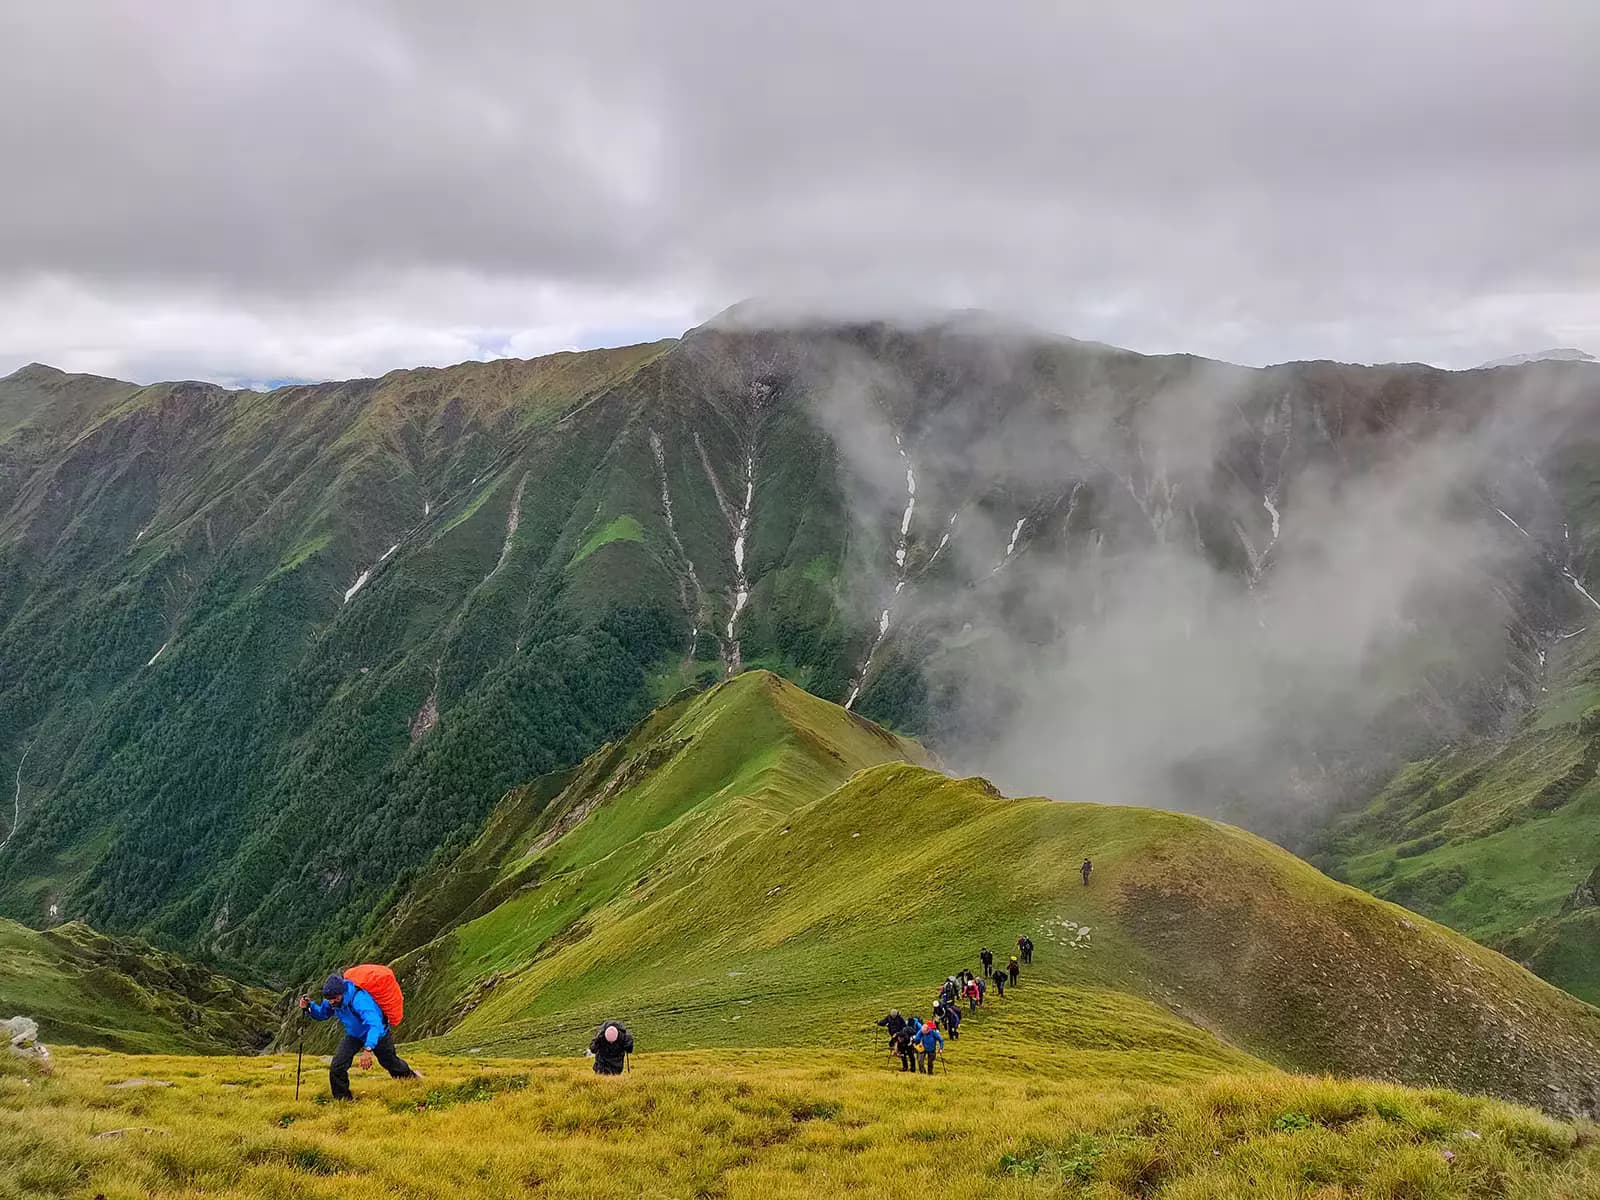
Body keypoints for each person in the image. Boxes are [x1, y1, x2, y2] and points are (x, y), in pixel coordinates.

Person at [301, 973, 419, 1100]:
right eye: (328, 999)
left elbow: (375, 1025)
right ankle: (343, 1100)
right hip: (354, 1035)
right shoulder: (332, 1000)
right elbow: (323, 1014)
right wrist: (309, 1007)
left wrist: (368, 1048)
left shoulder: (360, 1000)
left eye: (334, 998)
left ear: (342, 992)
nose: (331, 1001)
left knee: (390, 1062)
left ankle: (412, 1080)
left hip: (378, 1034)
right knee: (337, 1065)